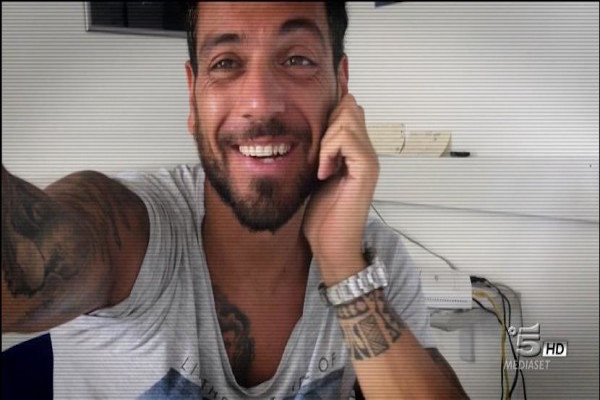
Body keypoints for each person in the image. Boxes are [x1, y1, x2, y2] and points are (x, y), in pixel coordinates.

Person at [2, 2, 468, 398]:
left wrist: (343, 265)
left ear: (340, 85)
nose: (261, 103)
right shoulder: (122, 231)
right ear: (192, 96)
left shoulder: (373, 255)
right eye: (226, 63)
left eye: (298, 59)